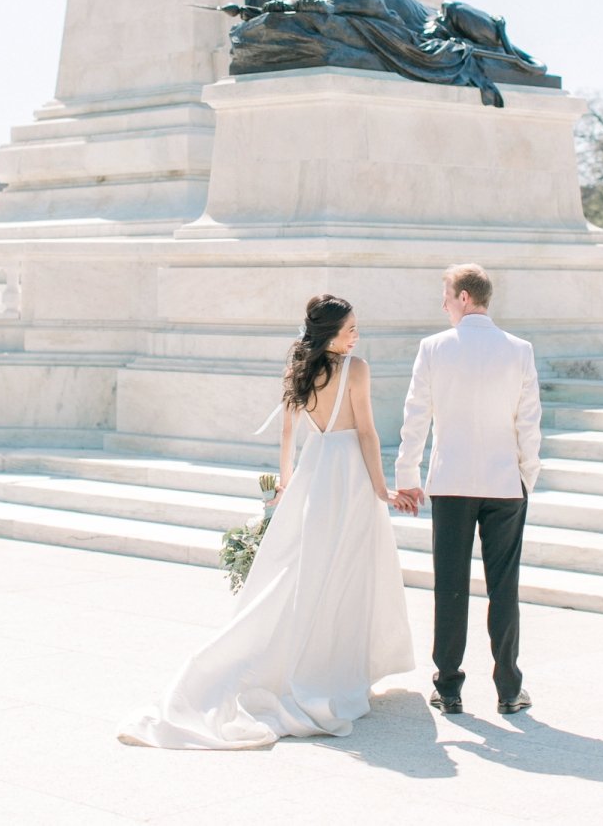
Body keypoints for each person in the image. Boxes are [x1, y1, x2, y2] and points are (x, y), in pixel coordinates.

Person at [118, 294, 414, 748]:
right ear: (332, 332)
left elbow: (288, 435)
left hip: (315, 475)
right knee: (348, 572)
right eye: (351, 328)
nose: (357, 335)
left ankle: (321, 665)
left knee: (309, 573)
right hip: (350, 477)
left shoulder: (301, 369)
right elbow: (368, 432)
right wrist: (381, 488)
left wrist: (286, 486)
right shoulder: (356, 369)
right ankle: (339, 671)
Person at [394, 264, 541, 715]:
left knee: (450, 586)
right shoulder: (519, 350)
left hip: (452, 482)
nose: (442, 303)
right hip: (504, 483)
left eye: (445, 294)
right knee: (505, 588)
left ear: (463, 297)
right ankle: (509, 688)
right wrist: (525, 478)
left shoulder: (434, 348)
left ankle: (449, 688)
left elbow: (416, 415)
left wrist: (407, 478)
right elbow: (529, 422)